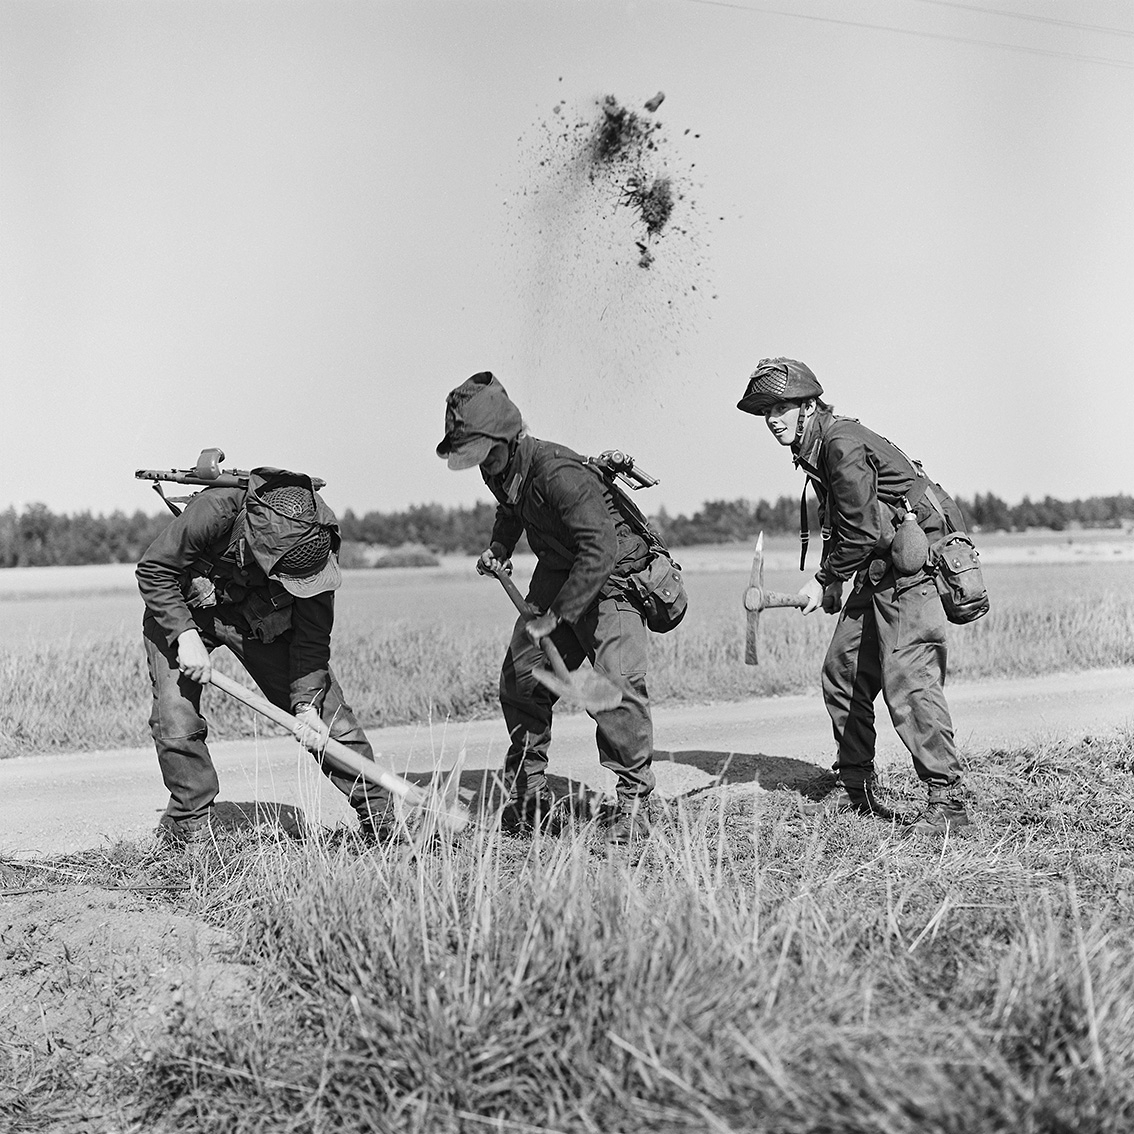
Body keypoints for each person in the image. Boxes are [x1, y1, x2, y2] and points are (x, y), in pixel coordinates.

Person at [736, 357, 971, 835]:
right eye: (766, 412)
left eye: (781, 407)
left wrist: (822, 580)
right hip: (877, 565)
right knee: (843, 672)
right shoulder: (816, 449)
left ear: (808, 405)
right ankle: (854, 788)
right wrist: (837, 581)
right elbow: (847, 522)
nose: (773, 420)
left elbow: (862, 529)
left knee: (908, 677)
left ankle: (947, 803)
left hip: (914, 565)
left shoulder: (839, 443)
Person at [437, 371, 656, 844]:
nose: (483, 465)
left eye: (485, 452)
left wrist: (559, 616)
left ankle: (636, 800)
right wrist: (499, 546)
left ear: (509, 439)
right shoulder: (498, 467)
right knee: (522, 677)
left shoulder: (559, 473)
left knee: (613, 683)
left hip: (612, 571)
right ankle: (530, 794)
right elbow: (512, 509)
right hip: (559, 568)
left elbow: (598, 549)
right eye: (473, 453)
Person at [136, 467, 390, 845]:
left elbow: (312, 639)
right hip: (185, 606)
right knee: (177, 720)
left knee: (330, 722)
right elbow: (154, 569)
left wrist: (305, 705)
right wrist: (185, 634)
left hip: (260, 618)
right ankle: (189, 831)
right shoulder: (216, 510)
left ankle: (383, 821)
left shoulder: (315, 545)